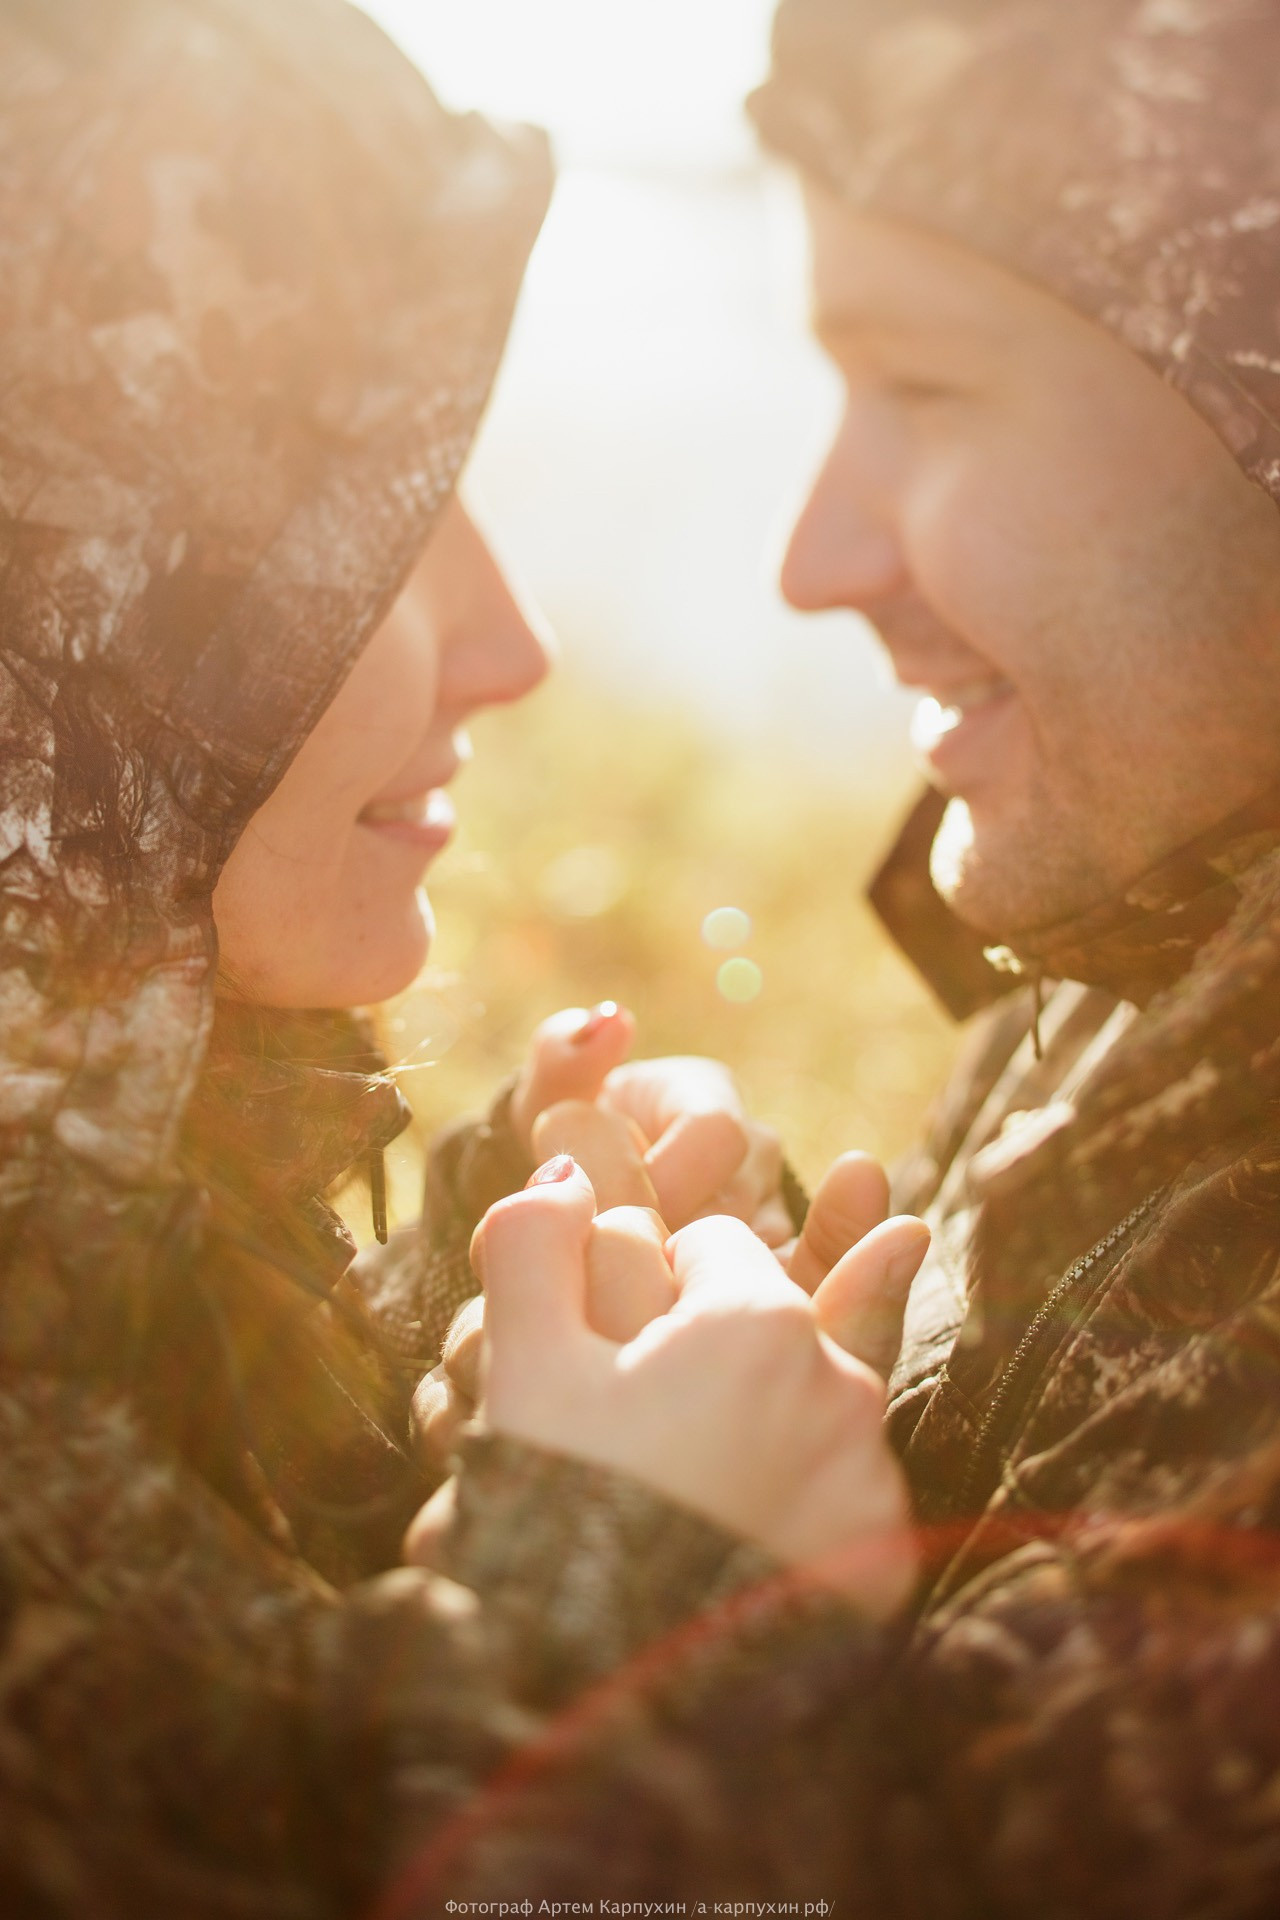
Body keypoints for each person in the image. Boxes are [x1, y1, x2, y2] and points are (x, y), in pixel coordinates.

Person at [0, 1, 932, 1913]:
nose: (513, 648)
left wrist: (479, 1347)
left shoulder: (124, 1203)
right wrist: (643, 1580)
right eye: (373, 531)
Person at [410, 1, 1280, 1912]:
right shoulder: (1139, 954)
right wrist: (736, 1404)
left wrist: (624, 1610)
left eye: (932, 391)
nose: (816, 559)